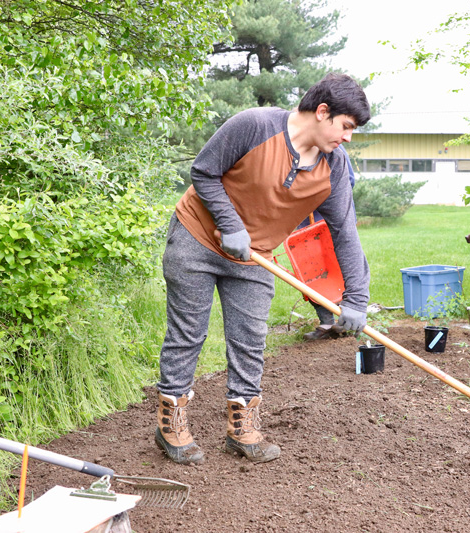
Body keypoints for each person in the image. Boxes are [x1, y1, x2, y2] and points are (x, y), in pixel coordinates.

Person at [155, 73, 371, 465]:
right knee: (188, 333)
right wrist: (230, 222)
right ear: (323, 112)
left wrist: (356, 297)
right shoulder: (254, 125)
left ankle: (242, 427)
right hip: (197, 239)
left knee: (251, 338)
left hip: (256, 256)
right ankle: (172, 421)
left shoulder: (334, 168)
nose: (348, 137)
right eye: (346, 126)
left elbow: (345, 233)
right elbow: (204, 170)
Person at [299, 143, 356, 341]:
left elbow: (347, 181)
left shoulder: (334, 152)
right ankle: (326, 322)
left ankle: (346, 318)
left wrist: (317, 194)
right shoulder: (295, 149)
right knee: (310, 273)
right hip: (304, 227)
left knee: (338, 268)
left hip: (331, 222)